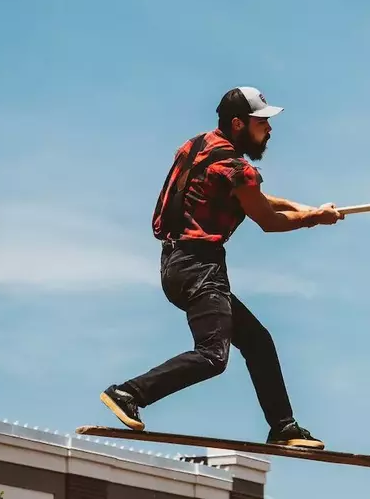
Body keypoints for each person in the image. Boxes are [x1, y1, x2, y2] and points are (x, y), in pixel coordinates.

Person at [100, 86, 343, 449]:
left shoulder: (198, 146)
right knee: (213, 355)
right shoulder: (237, 169)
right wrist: (313, 219)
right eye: (261, 123)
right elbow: (267, 219)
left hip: (176, 264)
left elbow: (252, 197)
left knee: (257, 341)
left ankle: (283, 427)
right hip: (200, 267)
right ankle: (128, 393)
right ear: (238, 124)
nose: (269, 130)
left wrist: (302, 207)